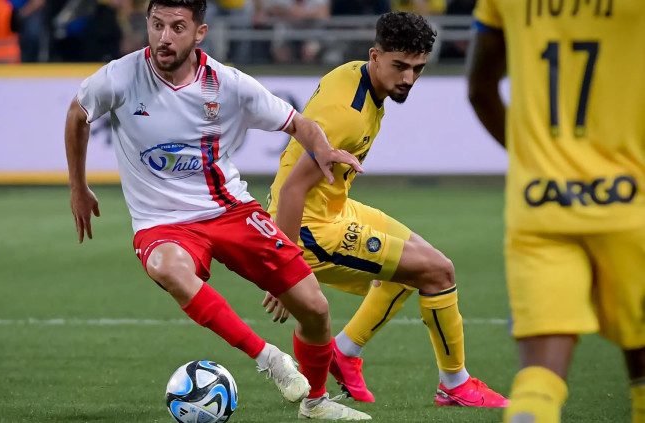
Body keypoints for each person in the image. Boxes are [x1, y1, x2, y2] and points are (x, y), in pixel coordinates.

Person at [64, 0, 371, 420]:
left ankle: (316, 402)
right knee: (167, 267)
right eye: (156, 25)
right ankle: (269, 358)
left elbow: (299, 124)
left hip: (229, 210)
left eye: (177, 27)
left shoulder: (227, 84)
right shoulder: (120, 76)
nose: (164, 38)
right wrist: (78, 186)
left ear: (199, 33)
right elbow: (77, 114)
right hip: (163, 222)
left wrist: (324, 149)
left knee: (314, 308)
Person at [264, 11, 508, 407]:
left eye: (418, 68)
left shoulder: (356, 74)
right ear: (375, 56)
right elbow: (293, 189)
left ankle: (345, 351)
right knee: (437, 271)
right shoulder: (346, 116)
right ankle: (455, 384)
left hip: (332, 206)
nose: (409, 78)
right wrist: (283, 268)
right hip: (309, 227)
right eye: (400, 66)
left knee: (422, 261)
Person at [468, 1, 645, 422]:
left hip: (539, 205)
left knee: (538, 380)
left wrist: (532, 162)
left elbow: (479, 88)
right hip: (631, 204)